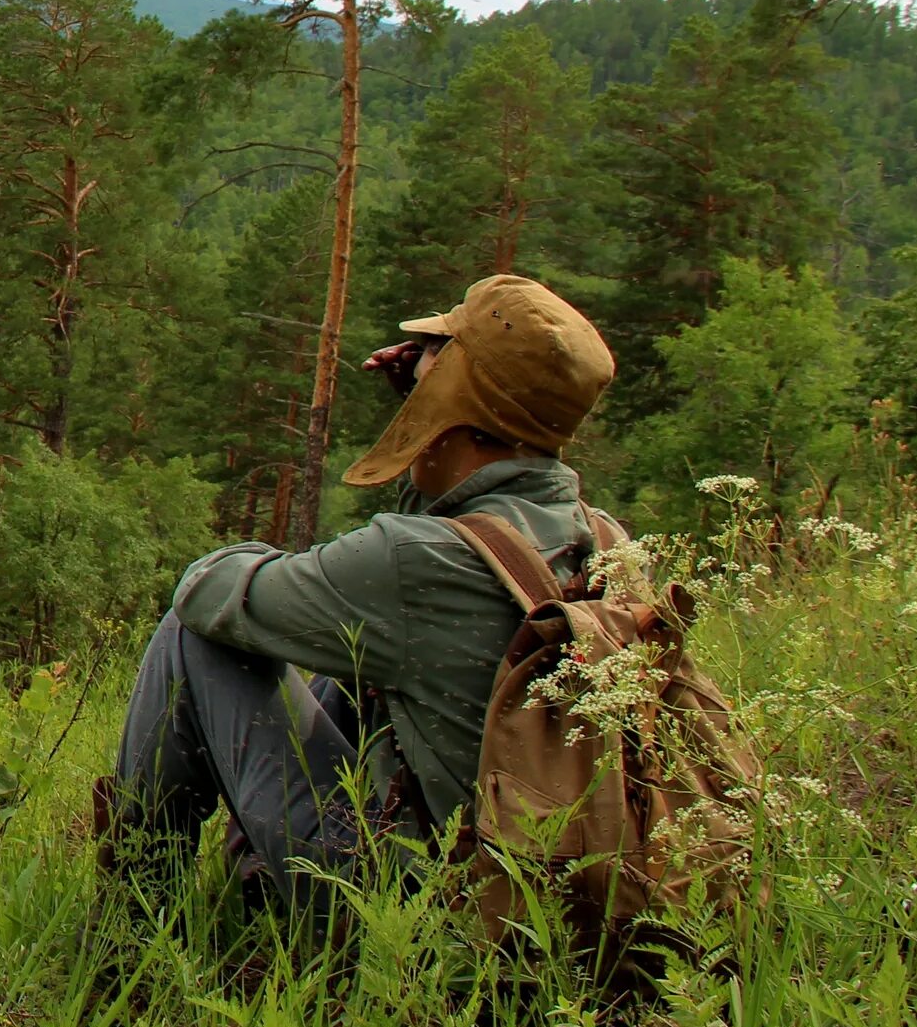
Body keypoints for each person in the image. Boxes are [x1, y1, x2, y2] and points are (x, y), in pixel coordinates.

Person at [93, 273, 619, 904]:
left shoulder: (414, 560)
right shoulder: (606, 540)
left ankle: (135, 911)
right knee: (349, 670)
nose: (422, 363)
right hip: (552, 904)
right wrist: (432, 411)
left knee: (192, 634)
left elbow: (206, 591)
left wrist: (426, 415)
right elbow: (448, 551)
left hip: (418, 920)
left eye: (438, 355)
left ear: (459, 392)